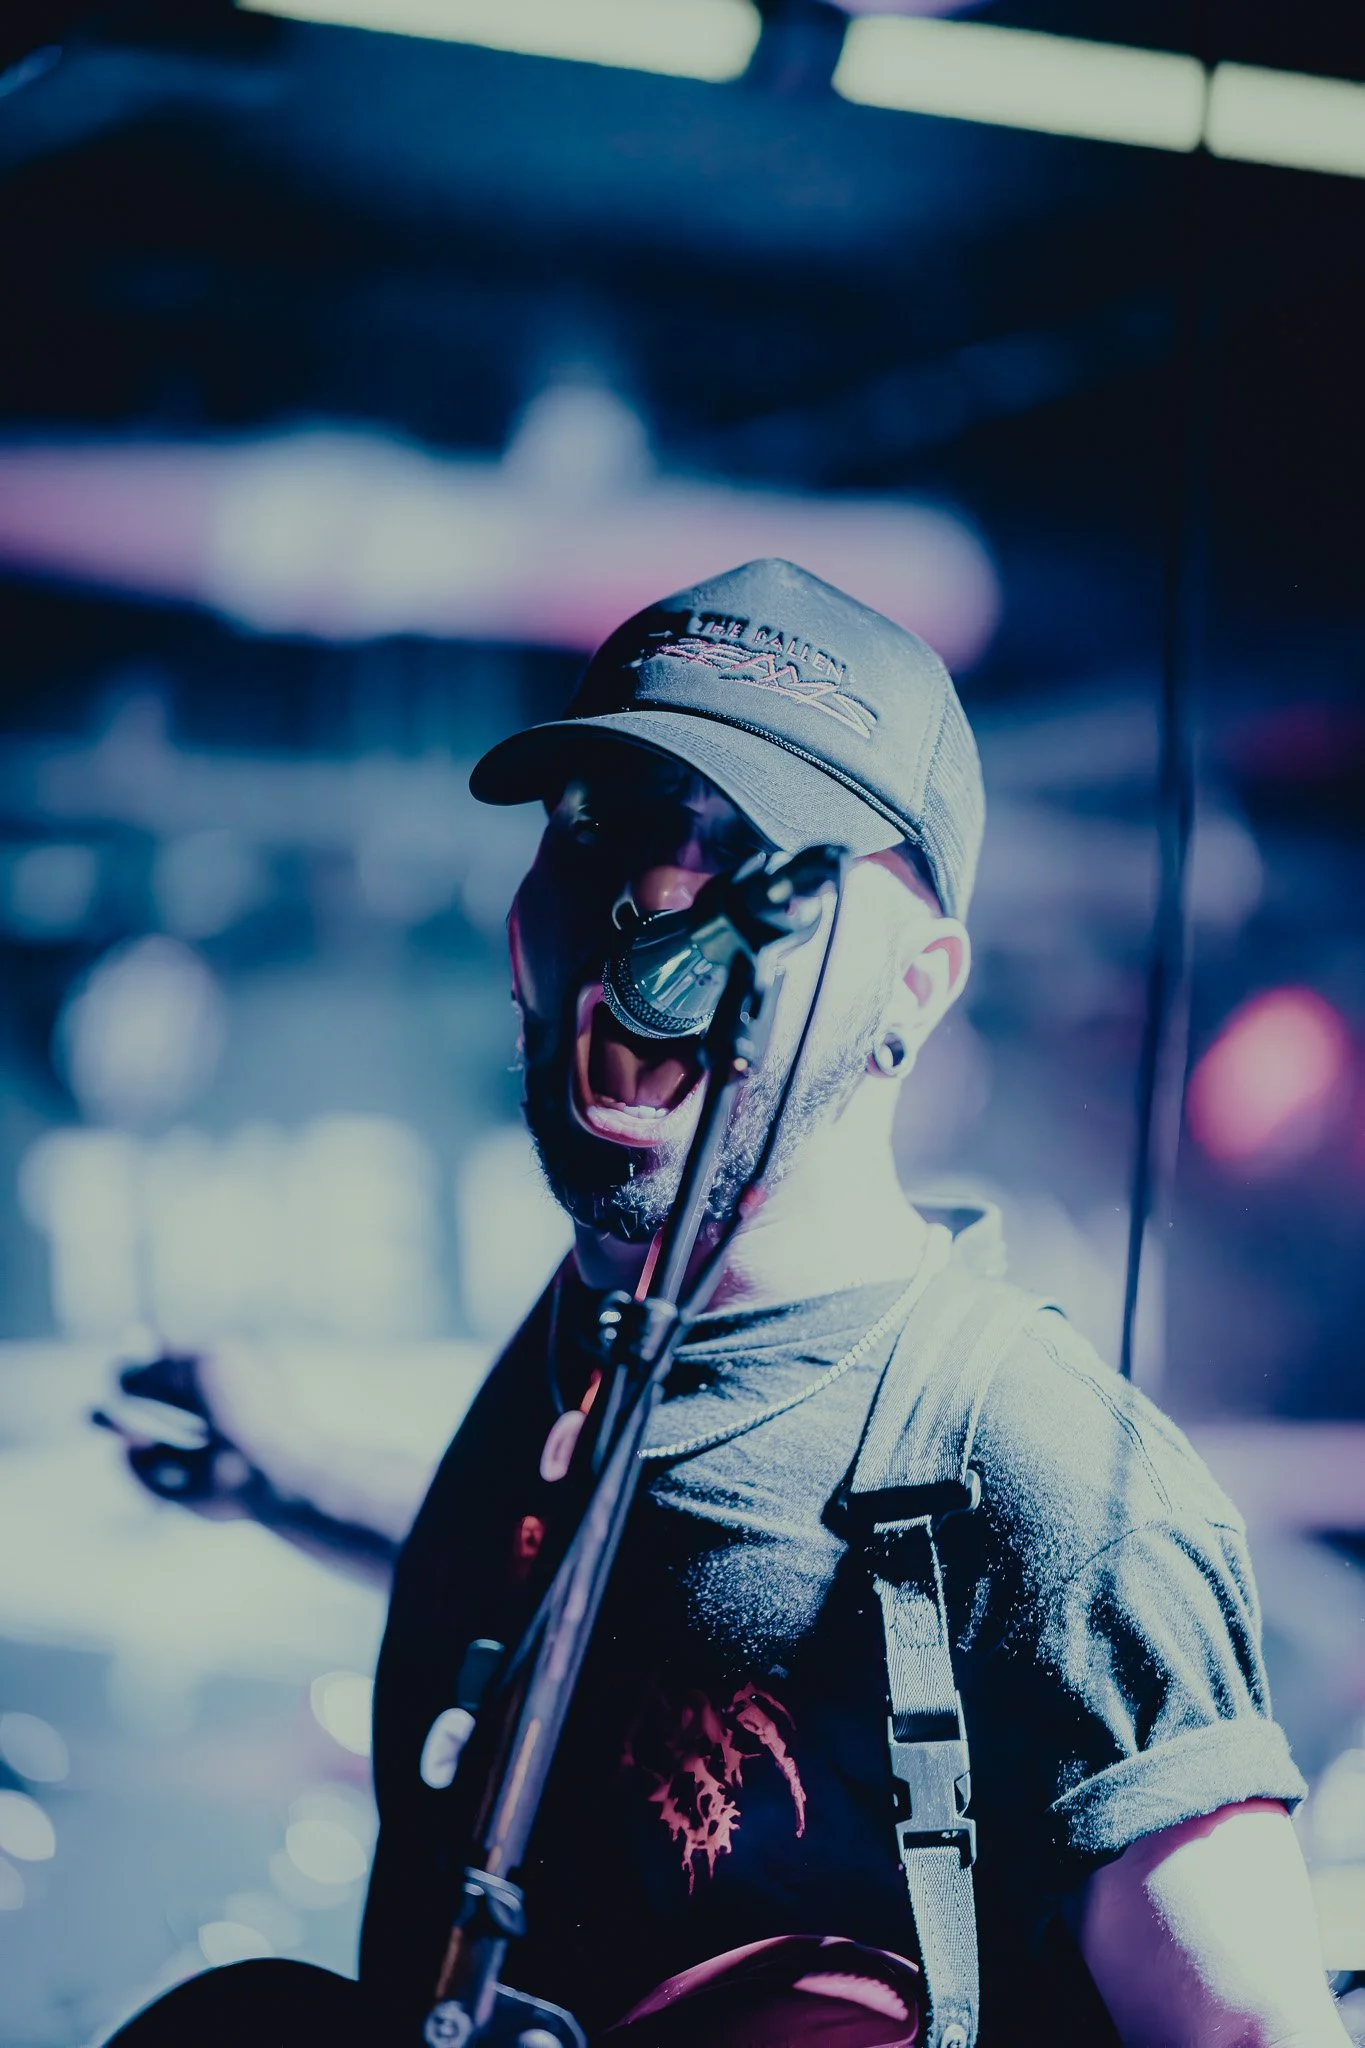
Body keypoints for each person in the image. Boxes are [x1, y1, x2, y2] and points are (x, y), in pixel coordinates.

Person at [108, 558, 1345, 2048]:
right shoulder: (599, 1332)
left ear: (919, 987)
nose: (651, 907)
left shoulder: (1053, 1488)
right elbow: (657, 1592)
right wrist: (289, 1474)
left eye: (756, 867)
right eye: (600, 823)